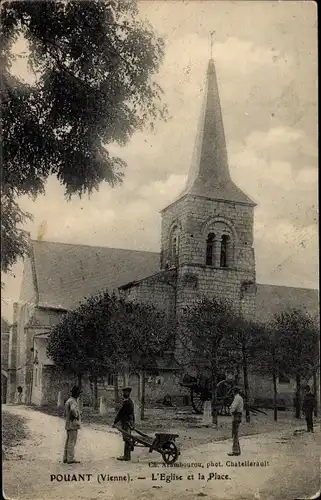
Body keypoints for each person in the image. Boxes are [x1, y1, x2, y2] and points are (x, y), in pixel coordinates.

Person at [112, 387, 135, 461]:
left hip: (126, 422)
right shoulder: (128, 401)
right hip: (127, 422)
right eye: (124, 392)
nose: (124, 393)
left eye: (125, 392)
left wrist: (115, 422)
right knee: (126, 438)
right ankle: (127, 455)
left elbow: (120, 413)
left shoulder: (127, 402)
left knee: (126, 438)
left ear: (128, 393)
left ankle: (127, 455)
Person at [63, 385, 81, 464]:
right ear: (76, 393)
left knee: (68, 441)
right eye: (78, 393)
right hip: (73, 423)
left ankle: (66, 457)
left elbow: (65, 413)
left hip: (68, 423)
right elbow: (73, 410)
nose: (79, 394)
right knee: (72, 441)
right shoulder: (73, 401)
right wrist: (77, 415)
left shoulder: (68, 400)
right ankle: (70, 458)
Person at [227, 386, 244, 456]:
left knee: (235, 434)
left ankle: (235, 451)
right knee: (235, 434)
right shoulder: (240, 398)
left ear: (234, 392)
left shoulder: (236, 398)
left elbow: (233, 407)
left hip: (236, 416)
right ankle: (237, 450)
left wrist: (230, 409)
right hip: (239, 415)